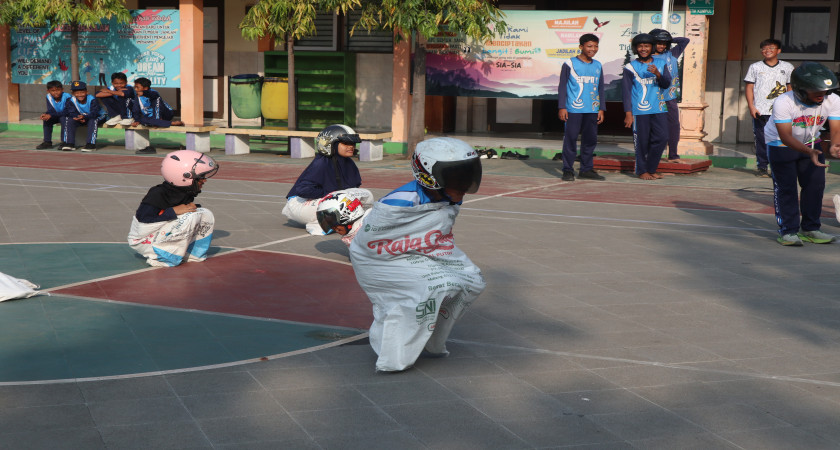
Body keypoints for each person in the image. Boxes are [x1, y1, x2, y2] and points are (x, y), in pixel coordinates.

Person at [349, 137, 486, 372]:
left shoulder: (448, 197)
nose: (464, 184)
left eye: (467, 175)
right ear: (428, 176)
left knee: (472, 281)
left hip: (425, 249)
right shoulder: (398, 203)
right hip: (381, 257)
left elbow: (436, 230)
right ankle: (392, 355)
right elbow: (371, 241)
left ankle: (431, 340)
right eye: (455, 178)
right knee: (437, 285)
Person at [764, 62, 840, 246]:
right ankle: (788, 231)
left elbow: (836, 127)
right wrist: (809, 151)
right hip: (780, 145)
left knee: (815, 186)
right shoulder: (783, 102)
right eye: (817, 91)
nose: (823, 95)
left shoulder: (834, 100)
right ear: (801, 90)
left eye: (825, 91)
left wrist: (835, 145)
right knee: (786, 188)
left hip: (812, 143)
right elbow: (786, 136)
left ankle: (811, 228)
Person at [127, 150, 219, 266]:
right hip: (142, 240)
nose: (204, 180)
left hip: (159, 234)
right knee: (190, 217)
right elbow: (144, 222)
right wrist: (173, 211)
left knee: (205, 214)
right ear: (185, 177)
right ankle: (163, 257)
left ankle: (191, 253)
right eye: (201, 177)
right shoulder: (158, 193)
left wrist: (187, 208)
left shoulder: (183, 192)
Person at [283, 124, 363, 235]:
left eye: (352, 143)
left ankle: (335, 220)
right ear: (330, 144)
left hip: (320, 200)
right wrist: (330, 194)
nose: (351, 147)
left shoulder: (349, 163)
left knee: (364, 196)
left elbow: (354, 188)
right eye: (345, 143)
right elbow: (303, 190)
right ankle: (318, 225)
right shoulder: (321, 163)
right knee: (339, 203)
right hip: (298, 203)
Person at [622, 33, 672, 180]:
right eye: (640, 46)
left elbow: (666, 84)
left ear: (652, 48)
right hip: (640, 110)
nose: (643, 49)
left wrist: (657, 74)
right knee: (641, 141)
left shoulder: (661, 64)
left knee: (662, 138)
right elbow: (626, 92)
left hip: (659, 108)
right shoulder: (630, 67)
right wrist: (628, 112)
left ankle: (651, 168)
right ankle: (642, 170)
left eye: (647, 46)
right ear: (636, 48)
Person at [557, 33, 605, 182]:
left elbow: (600, 88)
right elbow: (562, 87)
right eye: (590, 46)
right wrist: (562, 107)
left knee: (590, 140)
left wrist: (601, 108)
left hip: (592, 109)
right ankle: (567, 170)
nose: (593, 49)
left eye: (596, 46)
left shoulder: (598, 65)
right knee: (570, 139)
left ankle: (586, 169)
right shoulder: (569, 63)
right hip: (573, 109)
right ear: (581, 47)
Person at [744, 39, 794, 177]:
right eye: (764, 48)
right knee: (761, 139)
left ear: (778, 51)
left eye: (771, 48)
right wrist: (751, 106)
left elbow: (790, 87)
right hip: (760, 110)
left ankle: (779, 167)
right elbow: (749, 87)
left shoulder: (788, 67)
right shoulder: (755, 67)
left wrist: (790, 107)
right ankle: (762, 167)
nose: (767, 50)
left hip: (781, 111)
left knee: (781, 138)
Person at [650, 28, 690, 162]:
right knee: (653, 128)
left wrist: (669, 40)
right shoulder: (647, 58)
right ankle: (651, 154)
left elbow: (685, 41)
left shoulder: (672, 54)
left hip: (670, 98)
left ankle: (673, 155)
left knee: (673, 126)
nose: (662, 46)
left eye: (664, 43)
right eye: (658, 42)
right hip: (654, 97)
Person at [129, 77, 184, 154]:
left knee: (157, 99)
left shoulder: (154, 92)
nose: (135, 89)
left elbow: (153, 95)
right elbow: (136, 109)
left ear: (145, 88)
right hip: (152, 118)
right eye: (135, 87)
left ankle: (157, 120)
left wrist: (144, 93)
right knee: (142, 120)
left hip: (165, 114)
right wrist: (137, 120)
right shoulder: (137, 96)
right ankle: (170, 123)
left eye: (137, 87)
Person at [61, 81, 107, 152]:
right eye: (77, 93)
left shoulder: (92, 99)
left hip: (99, 116)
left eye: (82, 92)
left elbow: (95, 113)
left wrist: (85, 117)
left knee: (93, 120)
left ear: (87, 92)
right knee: (70, 120)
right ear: (73, 94)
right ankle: (69, 143)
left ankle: (91, 144)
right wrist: (78, 117)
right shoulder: (71, 100)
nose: (80, 95)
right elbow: (70, 112)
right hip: (83, 118)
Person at [37, 80, 71, 150]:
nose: (55, 92)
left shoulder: (67, 97)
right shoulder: (48, 97)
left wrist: (51, 115)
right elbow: (50, 110)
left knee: (63, 118)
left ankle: (64, 142)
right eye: (52, 90)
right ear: (48, 91)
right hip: (57, 115)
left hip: (67, 116)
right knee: (47, 119)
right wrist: (46, 114)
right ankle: (47, 142)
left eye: (58, 90)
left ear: (62, 89)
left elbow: (67, 111)